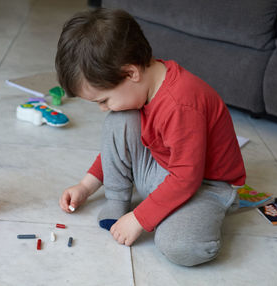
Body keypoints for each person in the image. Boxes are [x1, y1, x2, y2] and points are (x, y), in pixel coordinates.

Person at [55, 8, 246, 267]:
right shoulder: (142, 88)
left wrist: (139, 218)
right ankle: (118, 199)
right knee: (119, 120)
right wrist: (86, 186)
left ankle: (206, 216)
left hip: (204, 186)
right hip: (166, 171)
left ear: (131, 73)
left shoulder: (181, 104)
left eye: (104, 99)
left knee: (180, 246)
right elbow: (118, 148)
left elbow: (186, 178)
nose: (102, 107)